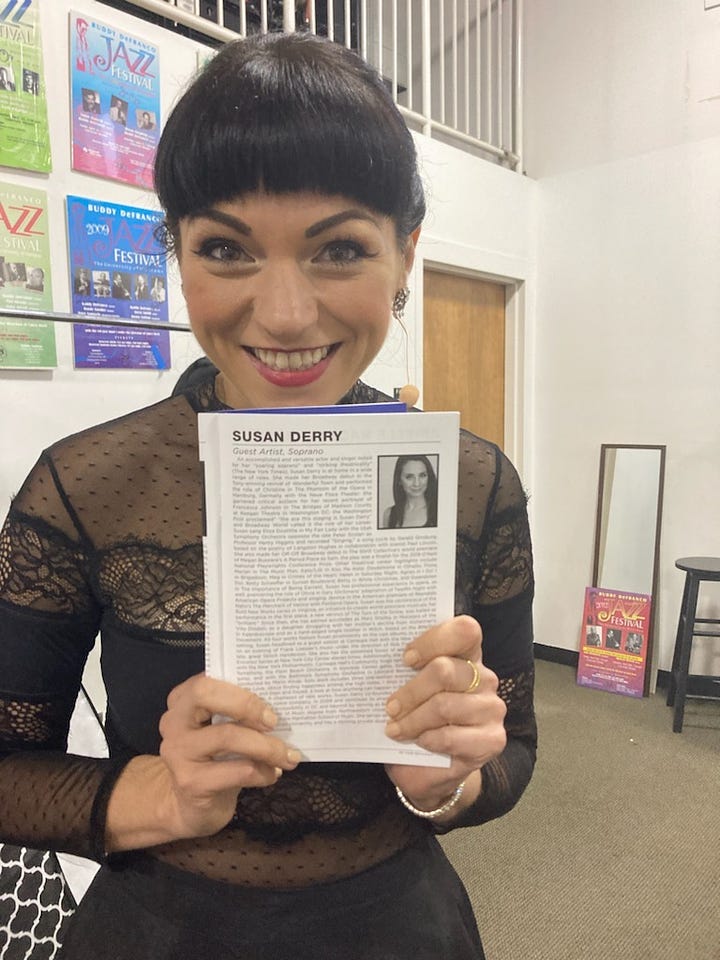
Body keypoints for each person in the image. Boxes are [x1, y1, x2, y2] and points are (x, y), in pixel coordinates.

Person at [0, 33, 535, 960]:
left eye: (338, 249)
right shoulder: (85, 485)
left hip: (397, 930)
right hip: (158, 930)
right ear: (176, 253)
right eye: (225, 249)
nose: (285, 315)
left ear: (406, 255)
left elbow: (516, 746)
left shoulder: (473, 481)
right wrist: (160, 796)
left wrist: (442, 781)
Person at [382, 454, 438, 528]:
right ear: (399, 480)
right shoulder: (389, 515)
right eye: (409, 477)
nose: (417, 483)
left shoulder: (439, 510)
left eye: (422, 475)